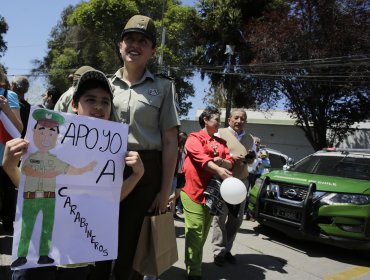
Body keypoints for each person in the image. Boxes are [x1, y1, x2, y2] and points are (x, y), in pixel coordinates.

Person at [3, 69, 144, 280]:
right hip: (36, 260)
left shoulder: (112, 151)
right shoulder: (48, 141)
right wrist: (10, 166)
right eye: (90, 99)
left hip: (77, 259)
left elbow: (110, 200)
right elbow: (26, 185)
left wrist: (136, 175)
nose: (98, 106)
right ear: (74, 105)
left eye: (105, 101)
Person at [181, 106, 234, 280]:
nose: (220, 123)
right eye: (217, 119)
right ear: (206, 120)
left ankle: (193, 261)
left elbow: (230, 160)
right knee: (195, 231)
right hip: (192, 191)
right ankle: (194, 271)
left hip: (212, 195)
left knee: (202, 233)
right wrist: (218, 167)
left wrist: (222, 163)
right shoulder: (194, 138)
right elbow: (201, 158)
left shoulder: (221, 143)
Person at [211, 108, 255, 267]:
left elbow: (253, 161)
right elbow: (212, 155)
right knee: (220, 218)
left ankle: (227, 249)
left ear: (246, 121)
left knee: (236, 219)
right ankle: (218, 251)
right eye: (236, 118)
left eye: (242, 119)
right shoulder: (219, 133)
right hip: (224, 180)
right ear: (229, 119)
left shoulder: (250, 139)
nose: (239, 121)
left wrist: (250, 160)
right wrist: (229, 159)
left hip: (242, 182)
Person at [0, 65, 23, 234]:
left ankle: (8, 229)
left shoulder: (10, 95)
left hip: (7, 158)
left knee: (8, 195)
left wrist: (6, 109)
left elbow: (19, 127)